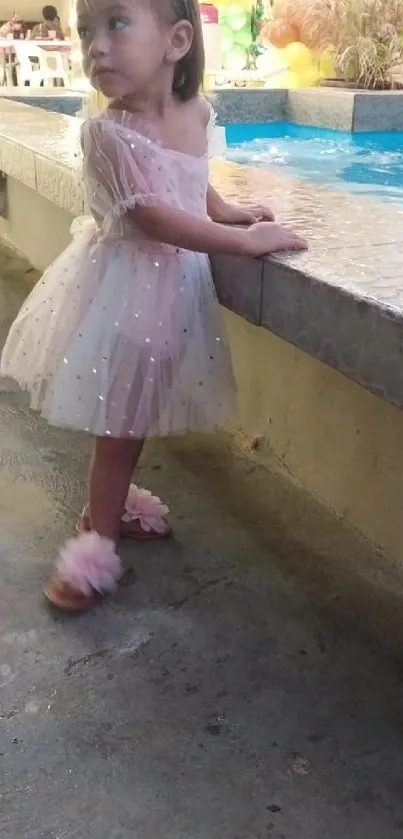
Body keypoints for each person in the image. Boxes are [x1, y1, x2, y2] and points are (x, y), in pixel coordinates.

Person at [1, 0, 307, 612]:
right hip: (122, 292)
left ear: (176, 42)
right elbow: (152, 214)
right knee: (117, 428)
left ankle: (109, 508)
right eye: (86, 30)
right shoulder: (105, 133)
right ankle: (94, 549)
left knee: (134, 420)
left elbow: (190, 177)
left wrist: (225, 209)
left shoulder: (196, 112)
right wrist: (242, 241)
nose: (95, 45)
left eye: (116, 23)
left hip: (171, 299)